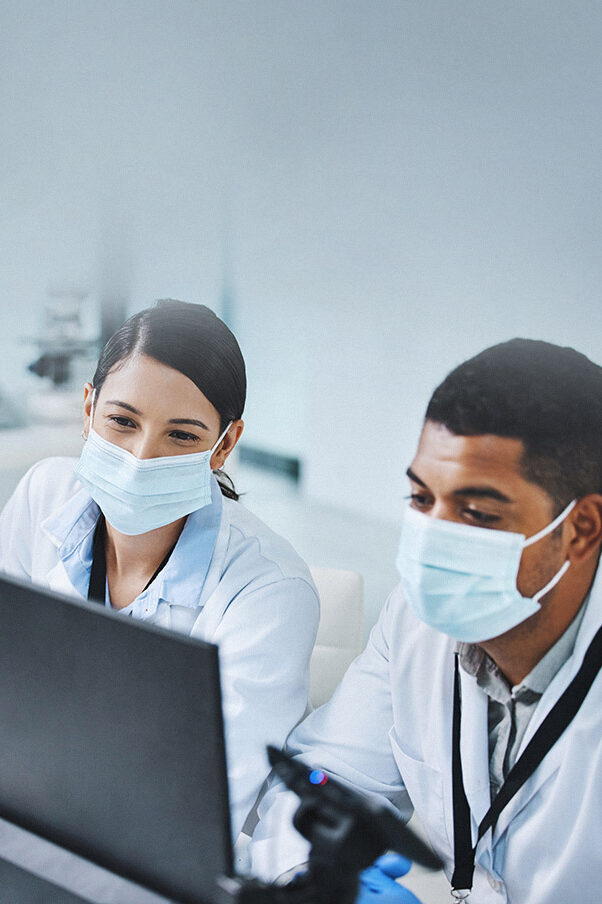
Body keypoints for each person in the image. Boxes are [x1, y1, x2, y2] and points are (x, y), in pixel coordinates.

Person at [249, 339, 602, 904]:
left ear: (581, 528)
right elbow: (326, 778)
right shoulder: (419, 618)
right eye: (420, 498)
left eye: (478, 513)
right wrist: (320, 874)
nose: (434, 537)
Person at [0, 299, 320, 841]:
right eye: (122, 421)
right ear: (87, 409)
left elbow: (201, 801)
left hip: (151, 850)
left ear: (225, 446)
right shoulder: (44, 493)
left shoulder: (269, 591)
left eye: (182, 435)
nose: (141, 456)